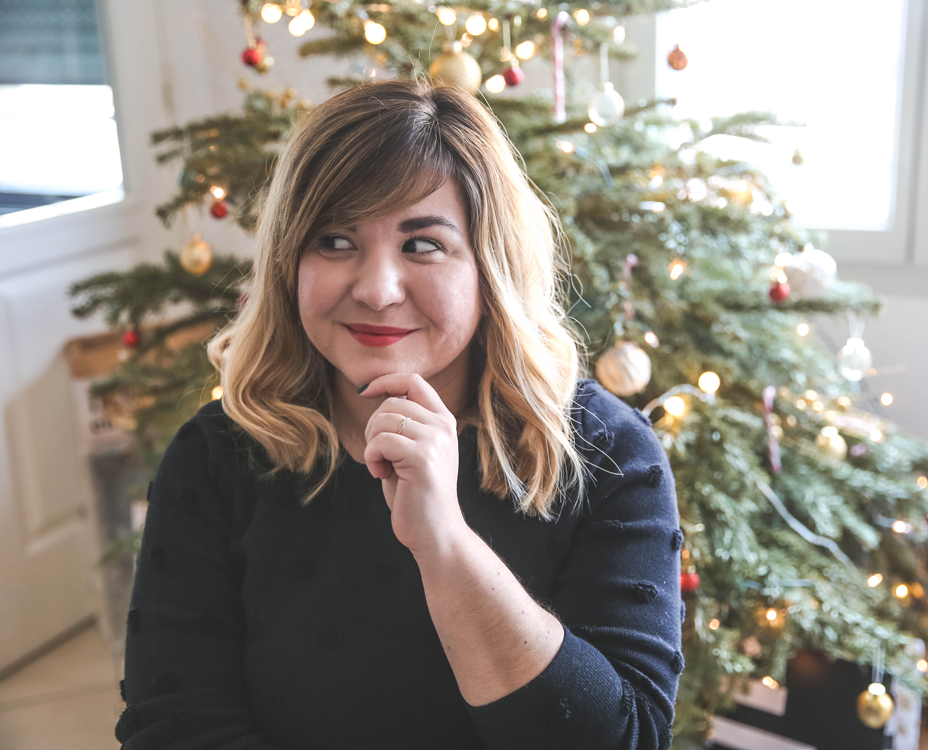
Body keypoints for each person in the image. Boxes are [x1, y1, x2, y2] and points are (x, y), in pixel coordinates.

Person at [115, 78, 684, 750]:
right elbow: (173, 726)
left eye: (422, 245)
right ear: (289, 262)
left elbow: (625, 739)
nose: (378, 290)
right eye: (334, 241)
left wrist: (444, 542)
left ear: (489, 265)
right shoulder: (217, 456)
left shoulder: (608, 454)